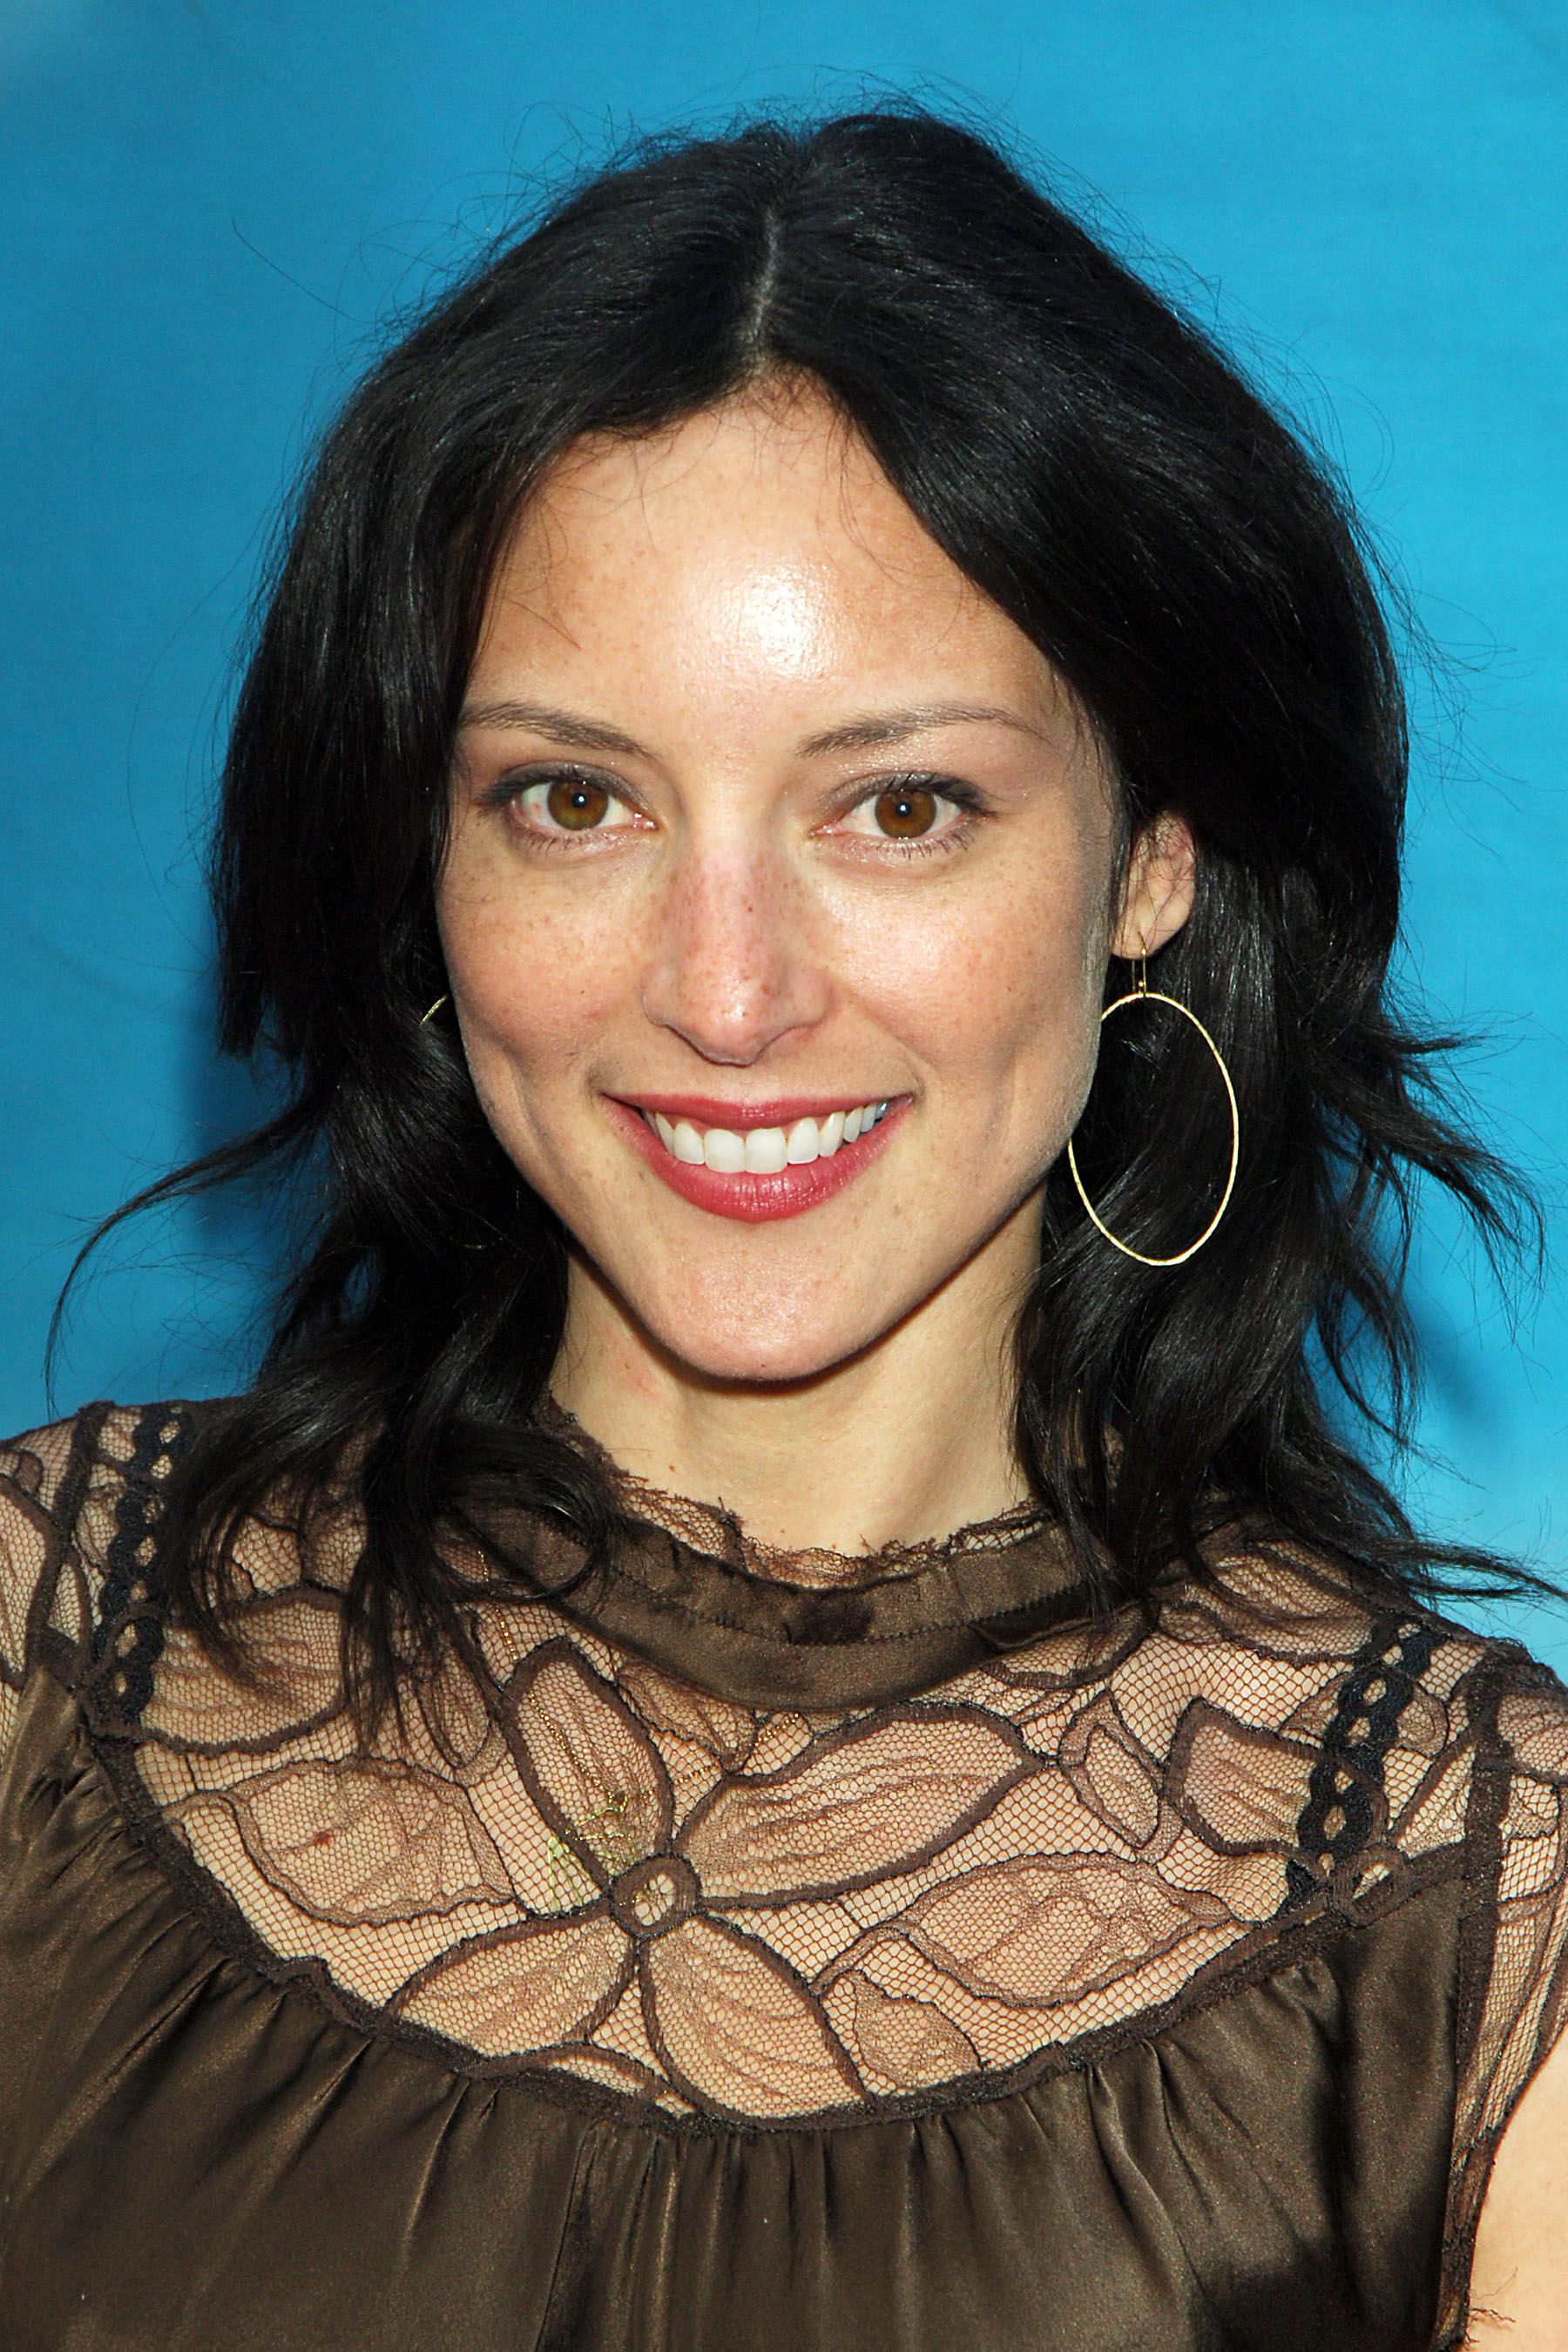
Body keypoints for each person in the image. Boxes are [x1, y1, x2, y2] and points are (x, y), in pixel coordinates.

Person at [1, 107, 1565, 2352]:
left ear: (1154, 858)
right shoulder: (45, 1661)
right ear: (426, 861)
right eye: (573, 800)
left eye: (900, 807)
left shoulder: (1478, 1935)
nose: (726, 996)